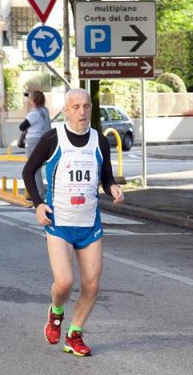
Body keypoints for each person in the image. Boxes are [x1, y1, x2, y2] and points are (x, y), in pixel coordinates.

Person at [22, 88, 124, 357]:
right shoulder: (53, 138)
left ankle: (74, 334)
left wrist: (112, 188)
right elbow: (28, 171)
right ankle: (56, 313)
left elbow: (106, 176)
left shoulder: (99, 141)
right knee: (65, 282)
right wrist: (38, 203)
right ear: (66, 110)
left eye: (86, 106)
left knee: (91, 284)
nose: (82, 112)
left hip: (90, 223)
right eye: (76, 107)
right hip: (60, 222)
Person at [19, 91, 52, 199]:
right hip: (42, 140)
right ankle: (40, 193)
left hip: (33, 141)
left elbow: (22, 127)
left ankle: (39, 194)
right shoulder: (45, 111)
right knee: (36, 167)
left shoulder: (33, 114)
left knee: (33, 169)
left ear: (34, 100)